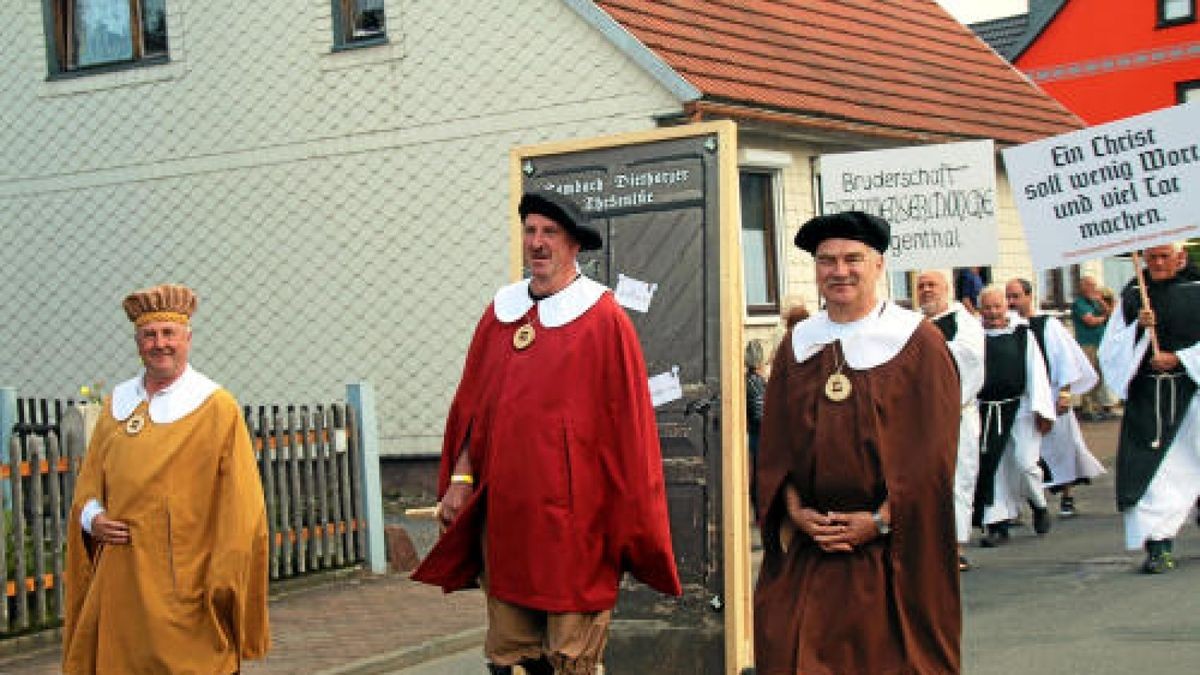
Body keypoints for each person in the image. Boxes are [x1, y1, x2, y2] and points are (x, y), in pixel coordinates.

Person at [411, 190, 681, 674]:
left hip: (576, 526)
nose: (537, 243)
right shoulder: (500, 314)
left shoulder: (603, 319)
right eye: (530, 231)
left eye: (549, 233)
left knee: (571, 655)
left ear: (573, 244)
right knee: (509, 654)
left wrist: (631, 514)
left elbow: (630, 432)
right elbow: (473, 410)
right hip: (510, 522)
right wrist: (460, 479)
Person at [754, 212, 961, 674]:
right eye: (827, 261)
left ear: (879, 266)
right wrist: (795, 511)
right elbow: (776, 448)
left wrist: (879, 520)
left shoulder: (917, 343)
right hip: (813, 548)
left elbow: (933, 458)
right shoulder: (799, 344)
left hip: (888, 551)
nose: (839, 271)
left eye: (853, 259)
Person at [62, 284, 270, 673]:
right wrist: (93, 518)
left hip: (185, 588)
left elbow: (241, 506)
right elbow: (89, 484)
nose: (160, 344)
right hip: (121, 585)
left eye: (169, 333)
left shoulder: (215, 407)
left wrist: (221, 585)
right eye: (149, 335)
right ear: (138, 342)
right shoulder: (117, 403)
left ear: (187, 339)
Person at [1099, 242, 1200, 574]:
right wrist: (1137, 329)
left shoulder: (1196, 290)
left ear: (1180, 258)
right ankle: (1159, 546)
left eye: (1163, 257)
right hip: (1149, 400)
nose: (1156, 263)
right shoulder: (1133, 297)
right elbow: (1110, 350)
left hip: (1191, 393)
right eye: (1151, 257)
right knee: (1155, 475)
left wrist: (1181, 358)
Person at [1007, 279, 1106, 517]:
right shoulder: (1009, 326)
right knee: (1022, 453)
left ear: (1029, 296)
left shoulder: (1047, 324)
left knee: (1062, 445)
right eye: (1008, 297)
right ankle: (1021, 503)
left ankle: (1067, 495)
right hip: (1023, 397)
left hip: (1050, 394)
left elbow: (1064, 358)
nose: (1011, 302)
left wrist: (1064, 394)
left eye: (1016, 296)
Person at [974, 285, 1056, 547]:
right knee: (992, 467)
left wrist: (1042, 409)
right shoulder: (974, 335)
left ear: (1005, 307)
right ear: (980, 309)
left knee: (1025, 462)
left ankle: (1039, 504)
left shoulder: (1022, 335)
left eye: (997, 306)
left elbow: (1036, 371)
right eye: (987, 307)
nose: (992, 312)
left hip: (1018, 408)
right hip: (987, 409)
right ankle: (997, 523)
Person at [917, 270, 985, 571]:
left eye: (932, 285)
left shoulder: (965, 324)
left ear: (947, 289)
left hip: (956, 413)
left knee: (957, 479)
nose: (926, 290)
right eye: (921, 286)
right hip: (919, 418)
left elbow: (969, 360)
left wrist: (930, 351)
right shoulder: (913, 324)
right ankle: (927, 545)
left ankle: (955, 546)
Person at [1071, 275, 1114, 421]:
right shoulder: (1079, 303)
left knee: (1099, 377)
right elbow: (1090, 321)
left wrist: (1102, 302)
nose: (1093, 289)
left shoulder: (1095, 303)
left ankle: (1096, 407)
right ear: (1082, 287)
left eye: (1094, 285)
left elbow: (1111, 314)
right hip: (1087, 344)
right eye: (1089, 285)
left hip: (1100, 343)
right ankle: (1087, 409)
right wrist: (1104, 318)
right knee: (1090, 376)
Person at [746, 339, 767, 514]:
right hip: (758, 436)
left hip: (753, 434)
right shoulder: (757, 382)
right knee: (759, 477)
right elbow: (760, 413)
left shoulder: (748, 380)